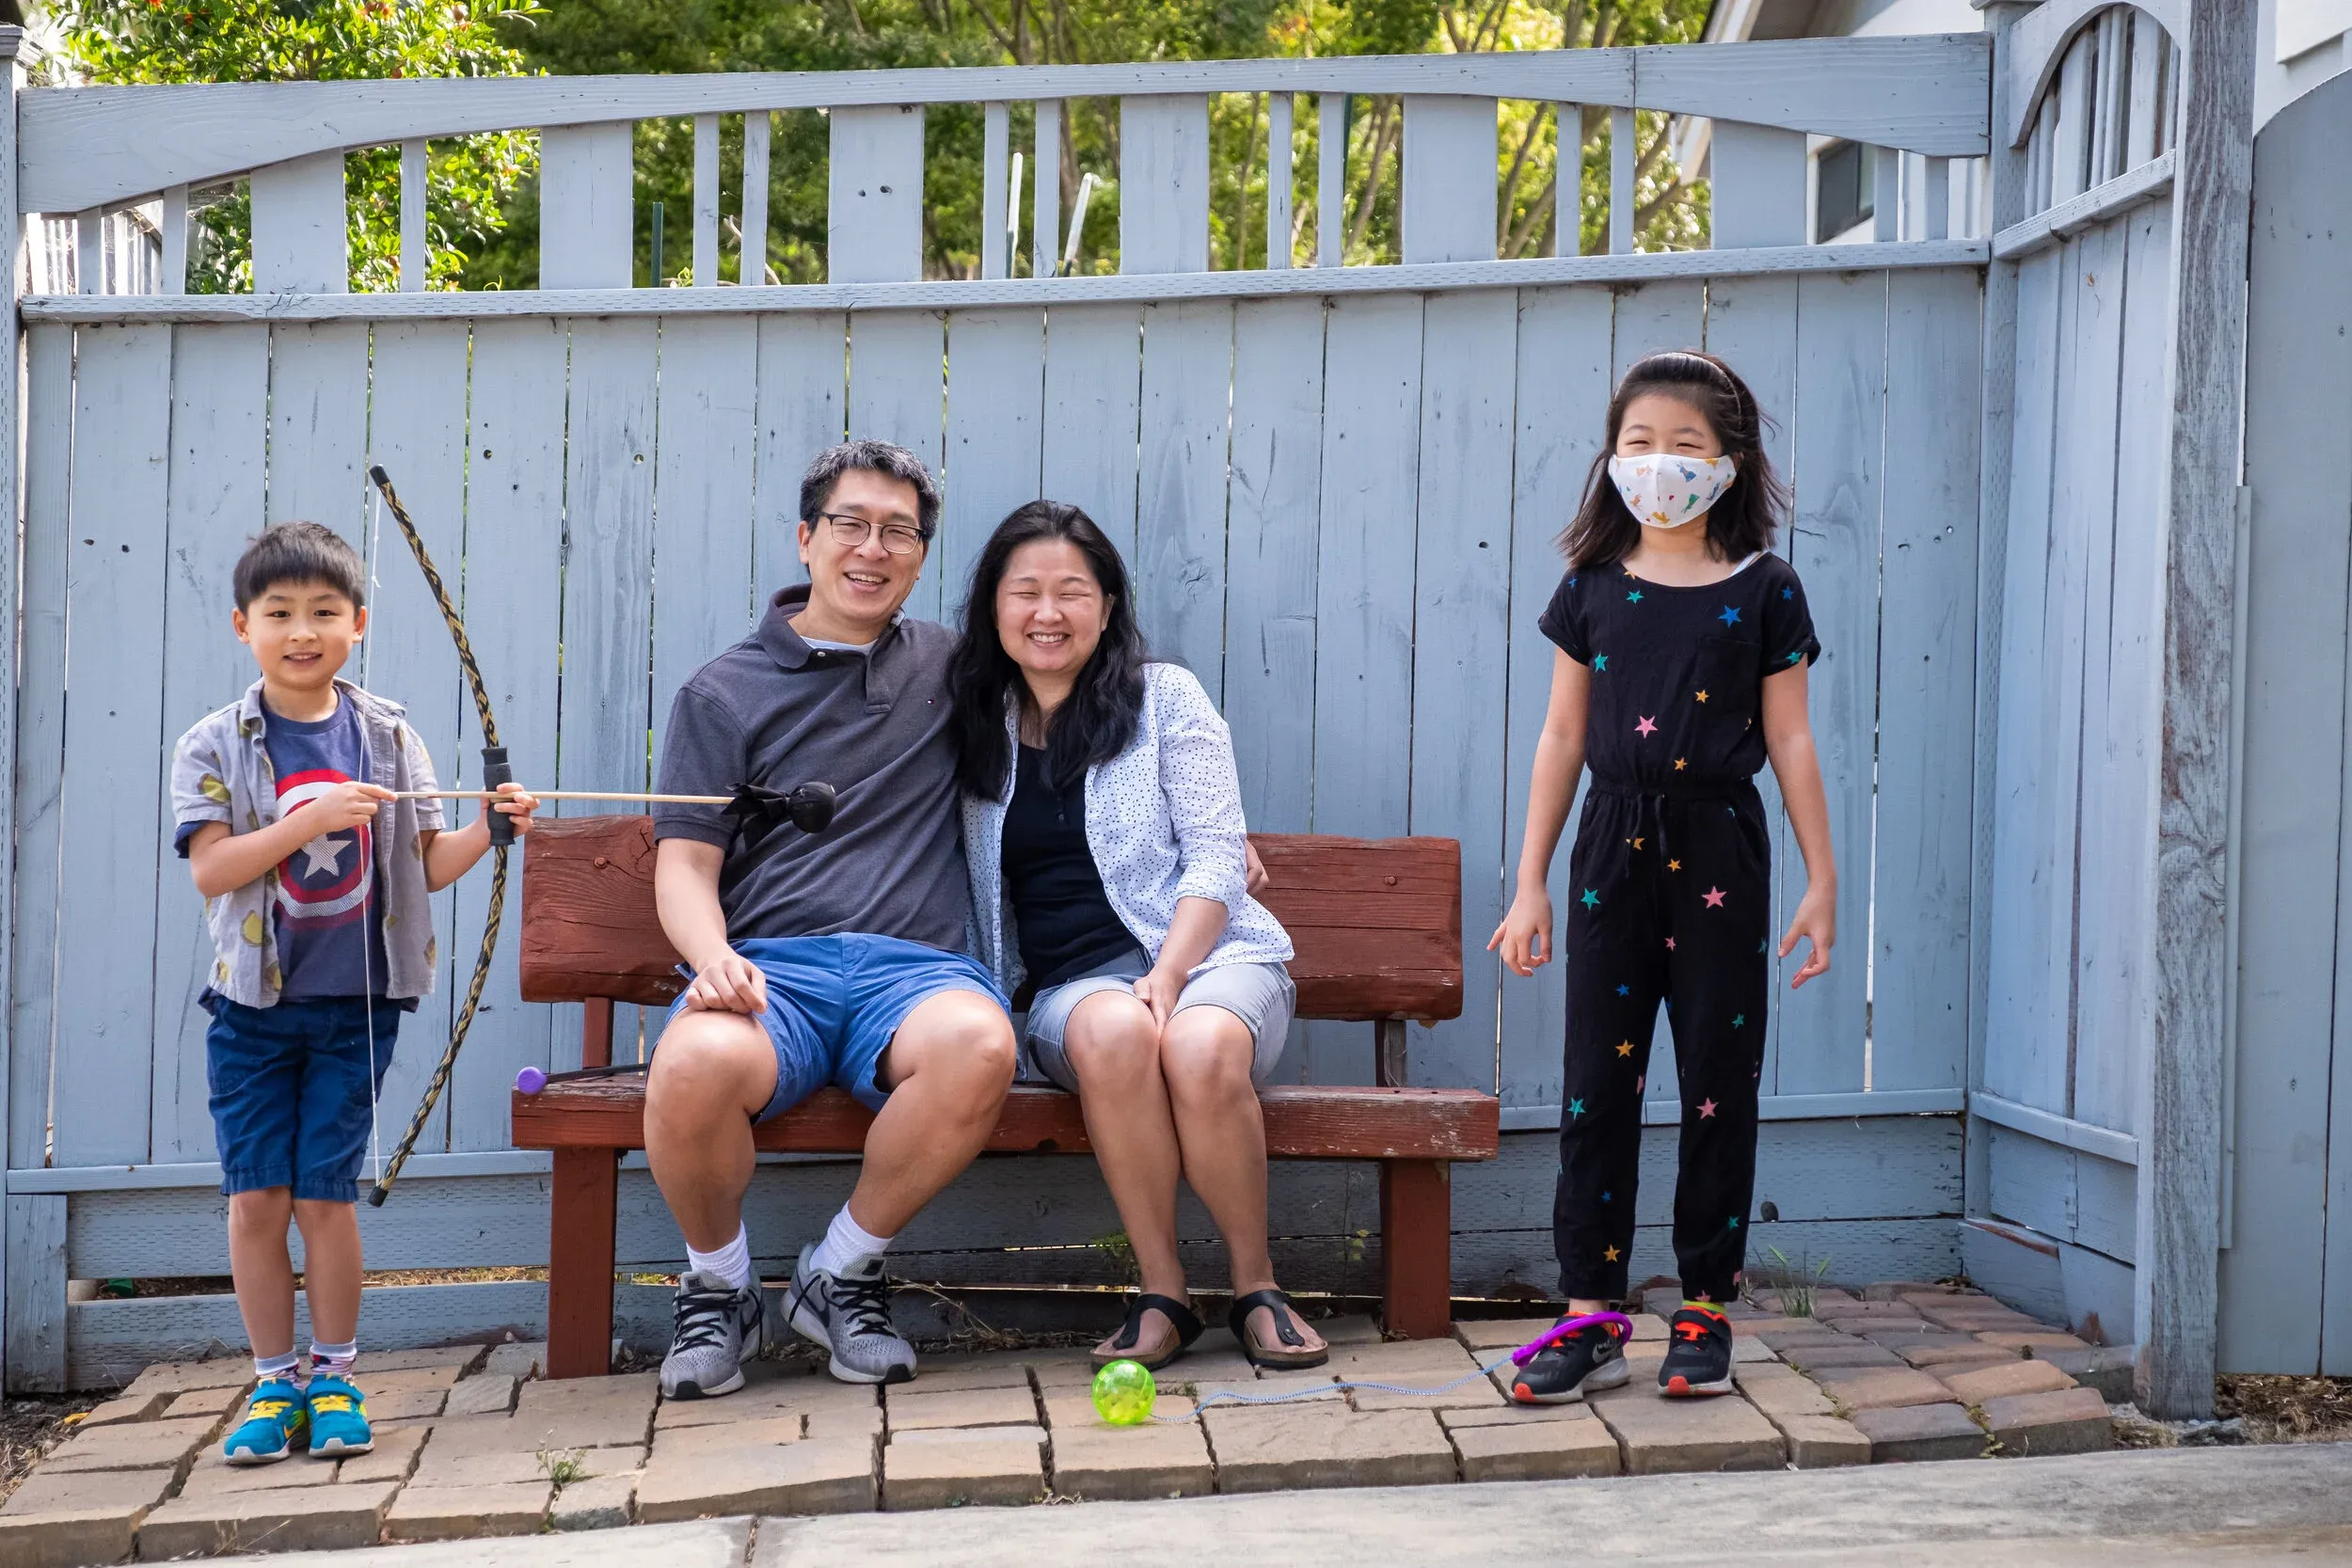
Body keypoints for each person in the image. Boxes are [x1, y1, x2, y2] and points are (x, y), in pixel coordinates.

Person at [1489, 351, 1836, 1404]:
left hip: (1721, 846)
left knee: (1716, 1086)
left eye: (1686, 445)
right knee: (1598, 1083)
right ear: (1609, 459)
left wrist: (1823, 881)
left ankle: (1704, 1303)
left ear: (1729, 462)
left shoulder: (1766, 587)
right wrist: (1530, 881)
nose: (1660, 463)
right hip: (1609, 848)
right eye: (1638, 443)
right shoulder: (1590, 589)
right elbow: (1559, 735)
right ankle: (1587, 1310)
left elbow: (1795, 742)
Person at [646, 440, 1018, 1396]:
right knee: (689, 1063)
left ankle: (839, 1269)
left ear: (921, 555)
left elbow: (1083, 671)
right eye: (850, 523)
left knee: (981, 1045)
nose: (872, 547)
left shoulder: (952, 664)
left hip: (915, 971)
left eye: (899, 531)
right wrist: (712, 954)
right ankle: (721, 1285)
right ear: (807, 539)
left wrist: (1204, 823)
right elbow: (685, 864)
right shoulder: (721, 692)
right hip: (777, 972)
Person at [170, 522, 538, 1464]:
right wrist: (314, 821)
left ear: (358, 623)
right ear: (242, 626)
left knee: (323, 1197)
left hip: (355, 1009)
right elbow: (214, 870)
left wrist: (494, 828)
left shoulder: (386, 734)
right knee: (257, 1198)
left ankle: (333, 1372)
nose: (304, 630)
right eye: (281, 613)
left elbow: (426, 862)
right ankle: (271, 1381)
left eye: (325, 612)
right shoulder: (214, 742)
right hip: (251, 1009)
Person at [949, 501, 1327, 1371]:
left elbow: (1216, 860)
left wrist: (1167, 972)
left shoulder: (1164, 697)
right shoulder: (969, 721)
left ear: (1109, 606)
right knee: (1115, 1030)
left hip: (1214, 958)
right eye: (1026, 592)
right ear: (994, 608)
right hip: (1071, 989)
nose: (1049, 613)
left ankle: (1256, 1286)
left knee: (1198, 1048)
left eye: (1073, 592)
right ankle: (1164, 1293)